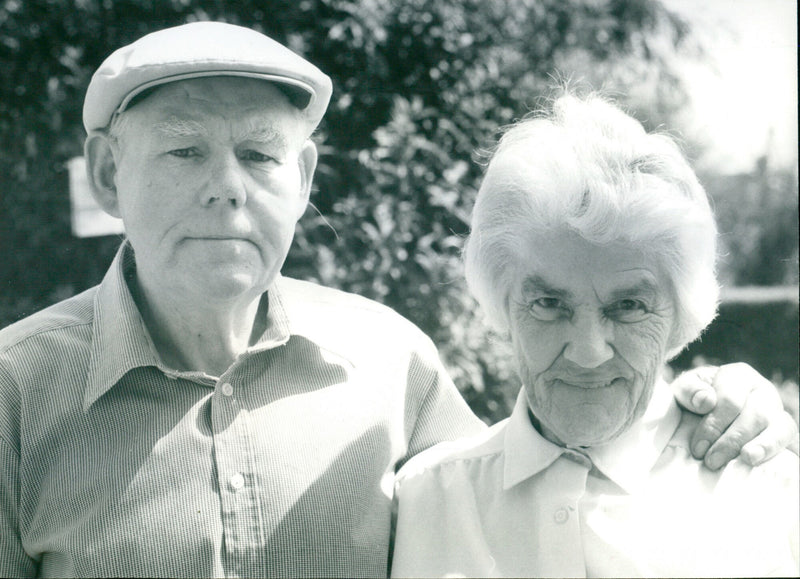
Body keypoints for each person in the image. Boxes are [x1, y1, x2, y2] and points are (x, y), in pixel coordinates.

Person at [0, 22, 794, 578]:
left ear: (304, 179)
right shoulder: (15, 393)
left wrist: (728, 394)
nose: (227, 191)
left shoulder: (390, 361)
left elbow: (560, 444)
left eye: (258, 154)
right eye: (183, 151)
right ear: (108, 175)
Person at [391, 92, 800, 578]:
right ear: (502, 305)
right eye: (548, 304)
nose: (587, 352)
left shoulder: (768, 494)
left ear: (679, 314)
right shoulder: (423, 500)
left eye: (628, 306)